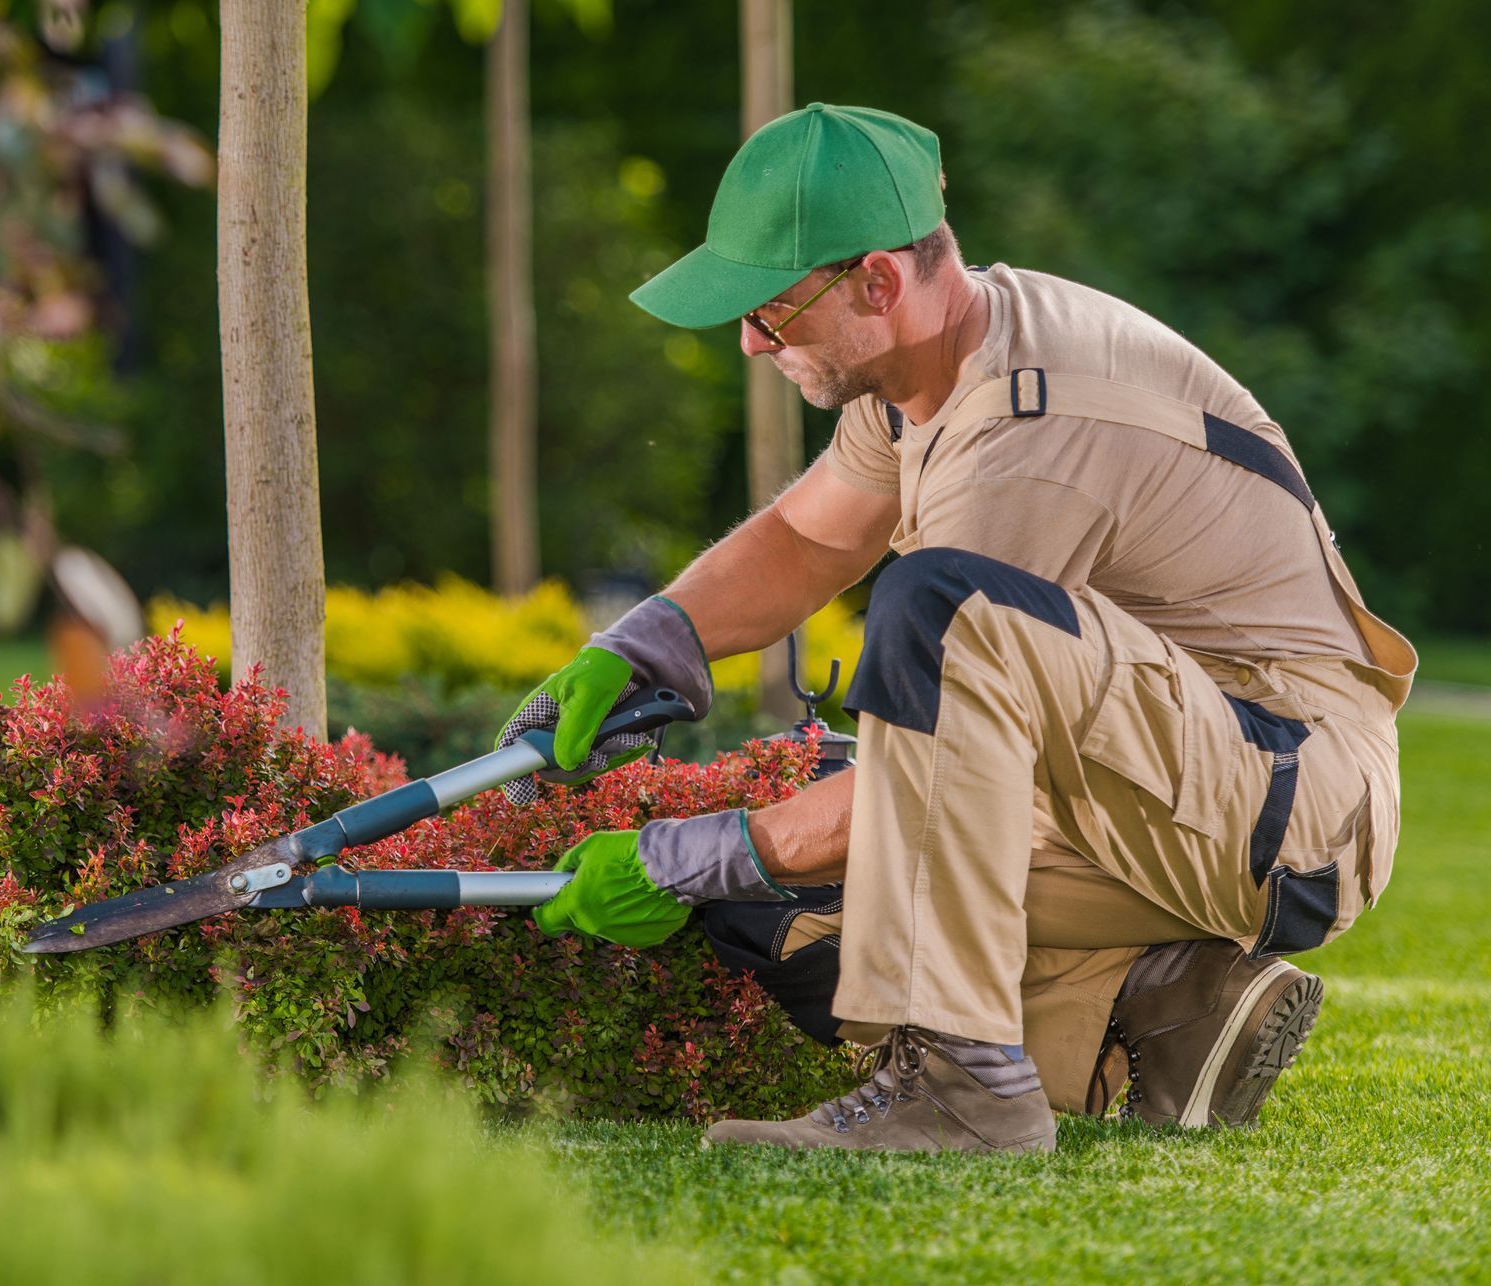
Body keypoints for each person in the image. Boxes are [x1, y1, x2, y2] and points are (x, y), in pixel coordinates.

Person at [496, 104, 1415, 1154]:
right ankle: (1169, 1008)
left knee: (925, 630)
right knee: (779, 905)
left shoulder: (1027, 430)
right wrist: (648, 643)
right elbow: (808, 538)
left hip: (1284, 792)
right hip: (1163, 788)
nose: (750, 341)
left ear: (878, 282)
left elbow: (918, 770)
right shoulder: (926, 370)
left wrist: (695, 851)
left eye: (771, 310)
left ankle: (965, 1084)